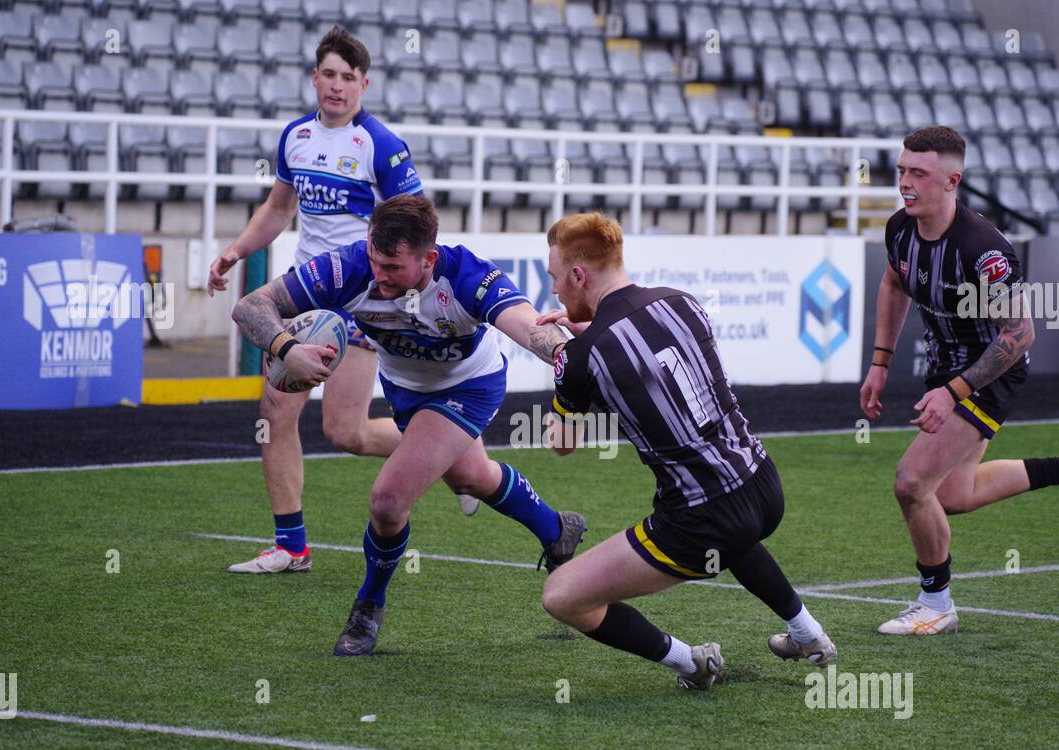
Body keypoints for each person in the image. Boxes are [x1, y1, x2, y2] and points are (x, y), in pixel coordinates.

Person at [231, 195, 587, 656]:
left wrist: (565, 355)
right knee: (471, 476)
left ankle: (367, 607)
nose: (380, 276)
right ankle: (557, 528)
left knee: (387, 498)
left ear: (429, 259)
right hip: (403, 388)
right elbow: (249, 307)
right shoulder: (350, 268)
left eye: (394, 268)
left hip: (468, 386)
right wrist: (286, 348)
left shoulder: (466, 275)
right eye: (376, 261)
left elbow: (528, 326)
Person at [207, 26, 473, 576]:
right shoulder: (295, 137)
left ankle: (450, 454)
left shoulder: (380, 145)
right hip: (303, 298)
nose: (336, 85)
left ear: (363, 85)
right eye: (328, 74)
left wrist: (414, 292)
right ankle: (291, 546)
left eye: (347, 77)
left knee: (344, 433)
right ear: (315, 78)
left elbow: (417, 226)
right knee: (275, 412)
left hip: (363, 302)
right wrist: (236, 249)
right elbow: (279, 210)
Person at [536, 213, 837, 692]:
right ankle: (807, 633)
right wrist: (587, 339)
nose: (552, 291)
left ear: (577, 275)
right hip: (761, 484)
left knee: (562, 596)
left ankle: (691, 663)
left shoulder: (581, 355)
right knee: (733, 536)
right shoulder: (682, 302)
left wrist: (561, 357)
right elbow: (642, 348)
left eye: (553, 277)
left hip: (699, 520)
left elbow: (562, 444)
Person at [862, 126, 1059, 637]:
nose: (905, 183)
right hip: (943, 370)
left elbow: (1020, 332)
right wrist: (880, 362)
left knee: (912, 483)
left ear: (952, 180)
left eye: (918, 173)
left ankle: (935, 603)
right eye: (901, 170)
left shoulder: (984, 249)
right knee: (953, 496)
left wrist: (952, 392)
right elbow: (894, 281)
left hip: (992, 369)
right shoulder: (900, 228)